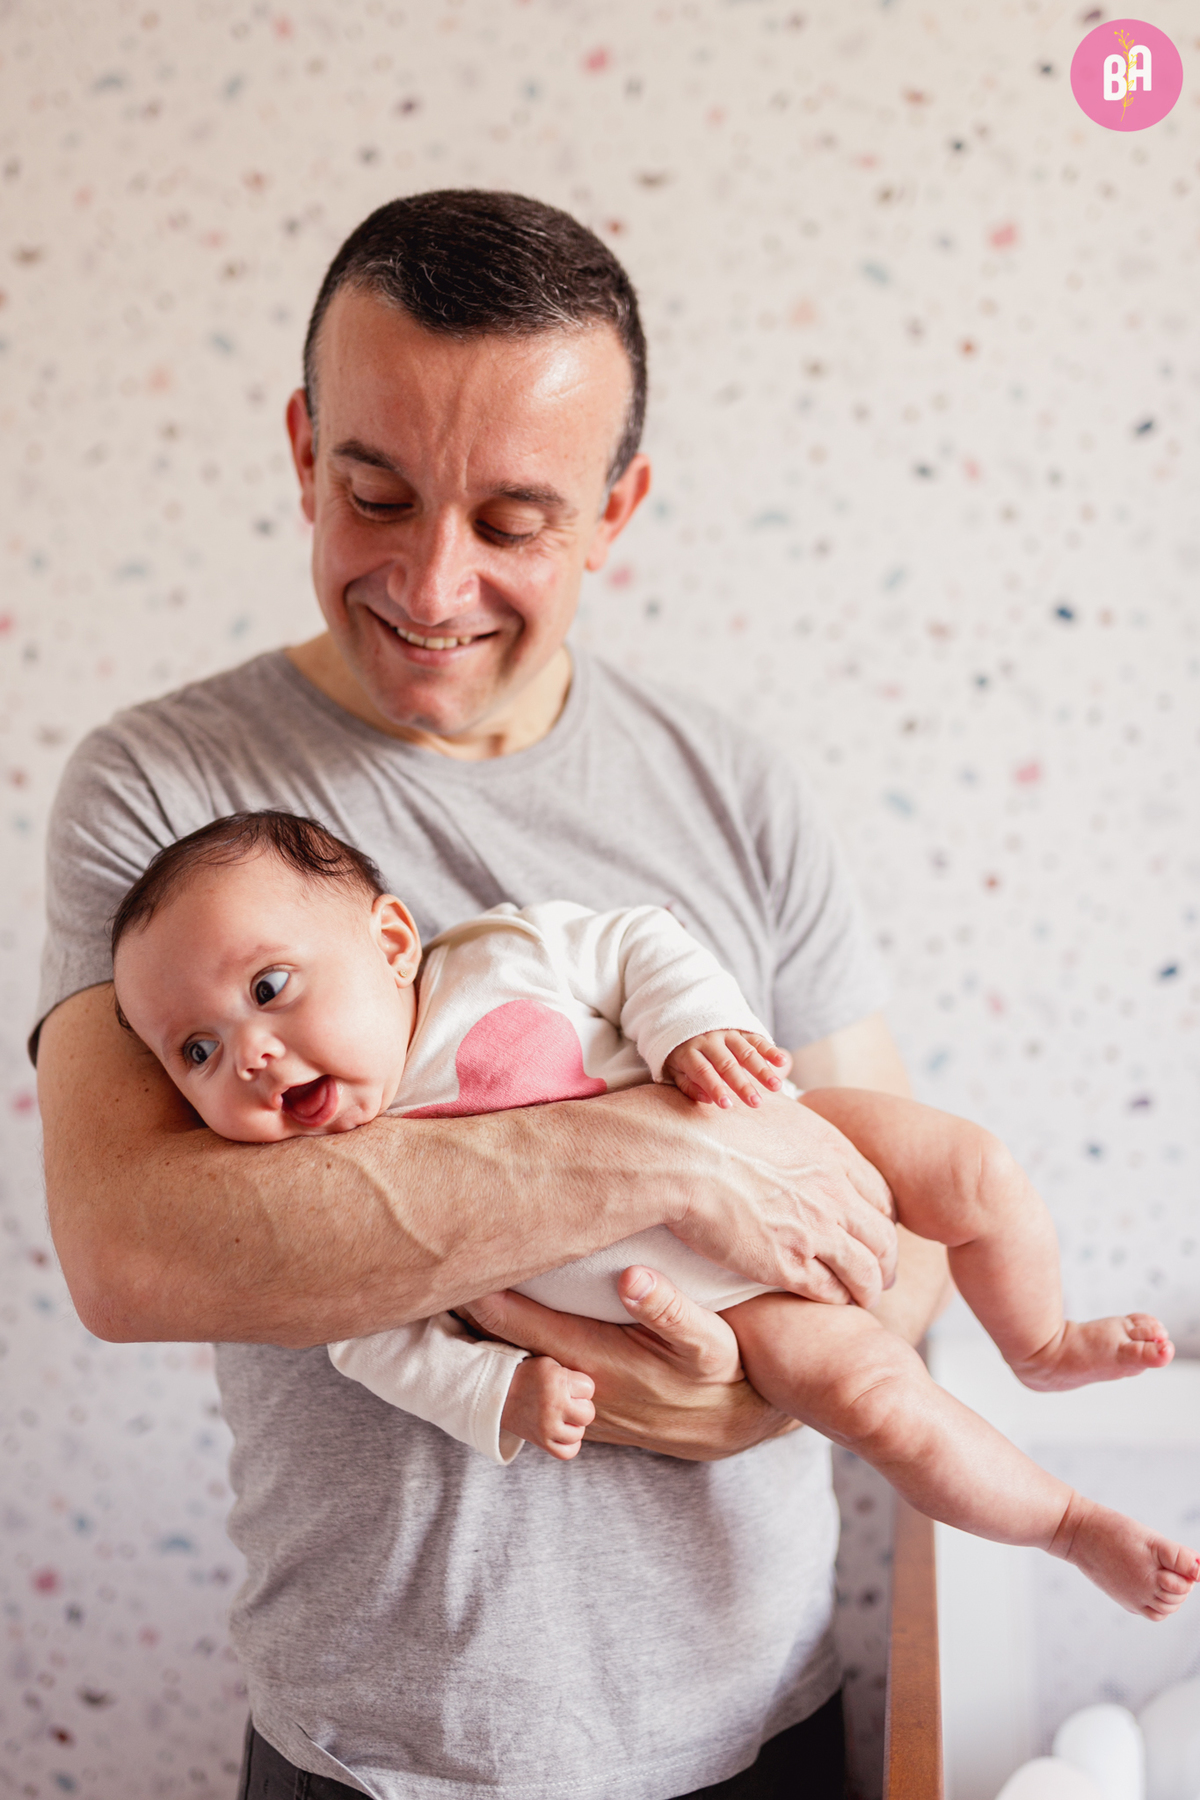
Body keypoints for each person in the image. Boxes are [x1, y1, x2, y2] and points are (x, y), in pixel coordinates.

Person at [34, 190, 954, 1800]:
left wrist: (767, 1391)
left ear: (619, 509)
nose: (431, 582)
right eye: (372, 492)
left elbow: (907, 1236)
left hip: (758, 1726)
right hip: (375, 1758)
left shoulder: (734, 786)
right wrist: (662, 1158)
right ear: (303, 447)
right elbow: (137, 1247)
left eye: (514, 521)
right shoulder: (163, 795)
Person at [107, 808, 1197, 1624]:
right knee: (881, 1403)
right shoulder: (335, 1192)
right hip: (731, 1316)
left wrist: (690, 1032)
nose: (245, 1050)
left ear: (393, 943)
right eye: (193, 1051)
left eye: (270, 987)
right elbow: (368, 1344)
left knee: (972, 1169)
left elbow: (635, 945)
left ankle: (1042, 1343)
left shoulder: (497, 955)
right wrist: (502, 1389)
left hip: (784, 1130)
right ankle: (1065, 1521)